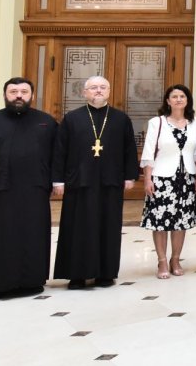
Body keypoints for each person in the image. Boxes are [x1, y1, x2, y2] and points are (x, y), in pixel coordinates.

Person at [0, 77, 58, 300]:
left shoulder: (47, 122)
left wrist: (57, 182)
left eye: (24, 92)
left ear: (32, 95)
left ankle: (32, 281)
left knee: (33, 235)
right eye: (13, 91)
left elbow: (58, 156)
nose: (19, 96)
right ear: (5, 95)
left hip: (35, 191)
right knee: (0, 237)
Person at [53, 76, 139, 289]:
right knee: (78, 227)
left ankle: (105, 274)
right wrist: (58, 180)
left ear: (109, 91)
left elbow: (129, 148)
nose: (98, 91)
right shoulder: (72, 118)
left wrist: (130, 176)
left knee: (108, 227)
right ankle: (76, 275)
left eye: (102, 87)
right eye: (93, 88)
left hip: (110, 181)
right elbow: (60, 151)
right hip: (79, 182)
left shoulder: (121, 119)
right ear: (84, 92)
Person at [140, 84, 196, 279]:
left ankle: (175, 259)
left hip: (186, 178)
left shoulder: (194, 123)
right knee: (160, 221)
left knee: (181, 222)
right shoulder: (157, 122)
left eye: (182, 96)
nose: (178, 99)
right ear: (168, 101)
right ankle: (162, 261)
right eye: (174, 96)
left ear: (187, 100)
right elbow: (148, 152)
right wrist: (147, 179)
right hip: (162, 178)